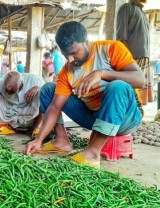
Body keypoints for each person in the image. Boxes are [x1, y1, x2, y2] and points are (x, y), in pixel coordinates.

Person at [24, 21, 144, 168]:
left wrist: (101, 73)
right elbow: (55, 107)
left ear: (87, 42)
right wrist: (39, 140)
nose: (70, 59)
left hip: (126, 117)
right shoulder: (66, 72)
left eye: (74, 53)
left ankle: (93, 153)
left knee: (117, 86)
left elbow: (140, 80)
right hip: (94, 117)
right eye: (66, 54)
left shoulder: (110, 49)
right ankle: (61, 141)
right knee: (48, 89)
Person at [0, 71, 44, 135]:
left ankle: (37, 127)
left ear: (21, 85)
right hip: (12, 109)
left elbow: (49, 92)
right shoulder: (0, 84)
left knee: (42, 95)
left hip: (30, 109)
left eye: (12, 92)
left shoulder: (34, 80)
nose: (9, 93)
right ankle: (11, 126)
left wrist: (38, 88)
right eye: (7, 92)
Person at [117, 0, 152, 103]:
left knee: (139, 96)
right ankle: (128, 116)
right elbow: (121, 38)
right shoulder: (126, 8)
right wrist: (128, 60)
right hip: (133, 58)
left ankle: (136, 116)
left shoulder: (141, 11)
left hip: (143, 56)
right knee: (131, 92)